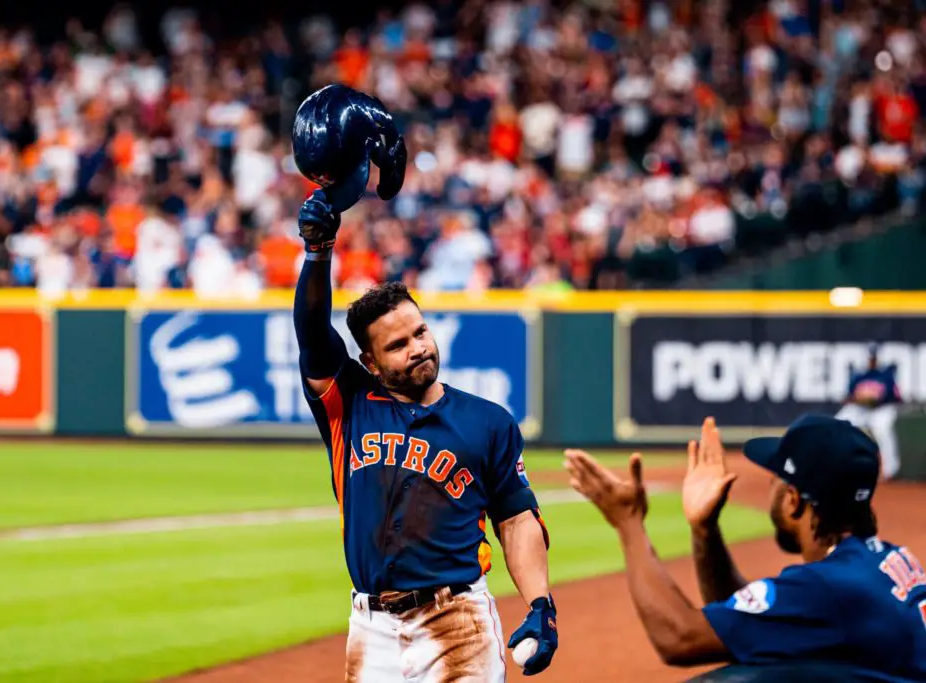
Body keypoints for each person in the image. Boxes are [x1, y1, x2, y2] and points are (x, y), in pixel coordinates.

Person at [293, 195, 556, 678]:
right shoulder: (349, 404)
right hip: (369, 627)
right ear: (370, 364)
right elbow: (311, 335)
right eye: (397, 345)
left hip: (457, 622)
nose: (418, 349)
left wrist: (541, 604)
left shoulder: (488, 422)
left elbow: (516, 519)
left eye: (420, 332)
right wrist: (317, 253)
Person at [564, 415, 926, 682]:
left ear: (793, 500)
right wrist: (705, 532)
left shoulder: (829, 588)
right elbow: (754, 625)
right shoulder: (880, 560)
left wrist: (628, 522)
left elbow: (679, 638)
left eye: (775, 479)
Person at [837, 344, 903, 480]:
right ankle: (837, 463)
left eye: (874, 357)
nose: (872, 360)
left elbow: (894, 396)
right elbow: (848, 396)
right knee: (839, 422)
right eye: (870, 357)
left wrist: (873, 398)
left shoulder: (886, 375)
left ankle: (890, 469)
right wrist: (859, 399)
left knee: (882, 429)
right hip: (862, 409)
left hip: (881, 409)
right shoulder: (858, 375)